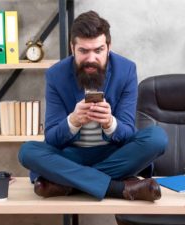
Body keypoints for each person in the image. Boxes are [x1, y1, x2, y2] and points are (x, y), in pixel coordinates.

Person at [18, 10, 167, 201]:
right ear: (73, 48)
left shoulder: (126, 70)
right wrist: (72, 121)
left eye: (98, 50)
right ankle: (118, 188)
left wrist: (110, 123)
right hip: (71, 156)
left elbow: (128, 133)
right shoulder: (56, 75)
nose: (91, 58)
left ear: (108, 47)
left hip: (114, 155)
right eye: (83, 51)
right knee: (27, 151)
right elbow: (52, 138)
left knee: (157, 137)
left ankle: (68, 183)